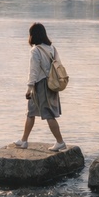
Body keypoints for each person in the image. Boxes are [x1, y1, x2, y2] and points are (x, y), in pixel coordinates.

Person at [14, 22, 67, 151]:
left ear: (32, 35)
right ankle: (24, 140)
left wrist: (29, 87)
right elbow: (58, 65)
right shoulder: (52, 48)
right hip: (51, 83)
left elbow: (34, 71)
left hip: (41, 84)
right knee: (31, 112)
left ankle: (60, 142)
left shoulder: (35, 50)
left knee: (48, 114)